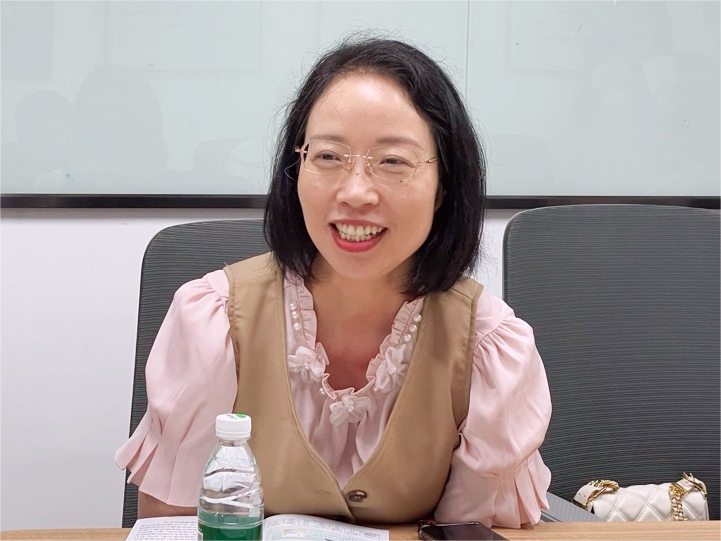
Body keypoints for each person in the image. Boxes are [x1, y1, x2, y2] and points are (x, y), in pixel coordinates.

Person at [116, 36, 552, 528]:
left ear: (443, 187)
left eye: (393, 161)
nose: (355, 192)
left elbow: (474, 535)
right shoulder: (214, 320)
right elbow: (171, 527)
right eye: (327, 156)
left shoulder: (488, 347)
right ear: (296, 168)